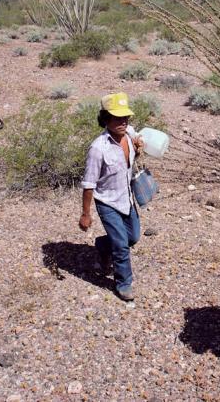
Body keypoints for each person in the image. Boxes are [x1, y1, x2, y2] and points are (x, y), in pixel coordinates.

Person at [78, 93, 144, 302]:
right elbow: (89, 184)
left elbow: (139, 139)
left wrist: (139, 145)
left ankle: (102, 245)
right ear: (105, 119)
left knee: (132, 237)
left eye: (126, 117)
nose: (123, 122)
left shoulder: (129, 133)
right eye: (117, 118)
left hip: (127, 197)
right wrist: (86, 214)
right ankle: (123, 283)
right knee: (122, 245)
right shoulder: (98, 148)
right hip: (107, 202)